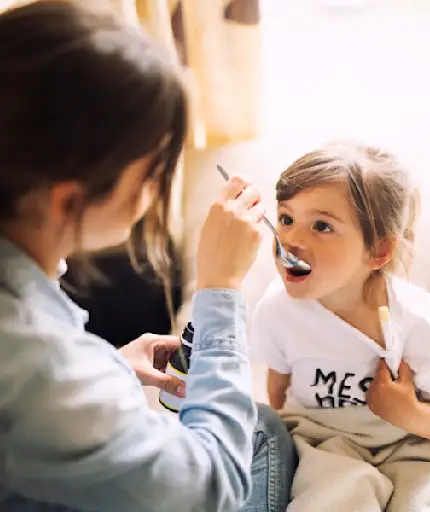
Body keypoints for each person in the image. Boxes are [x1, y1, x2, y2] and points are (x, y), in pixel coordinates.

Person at [0, 2, 296, 511]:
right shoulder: (36, 364)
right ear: (68, 199)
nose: (157, 191)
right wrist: (220, 287)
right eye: (152, 172)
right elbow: (216, 488)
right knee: (261, 435)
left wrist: (105, 368)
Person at [249, 141, 430, 511]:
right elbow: (279, 386)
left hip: (416, 437)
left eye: (321, 226)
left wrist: (409, 414)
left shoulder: (418, 321)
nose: (291, 241)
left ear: (379, 251)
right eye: (286, 219)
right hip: (327, 440)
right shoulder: (275, 310)